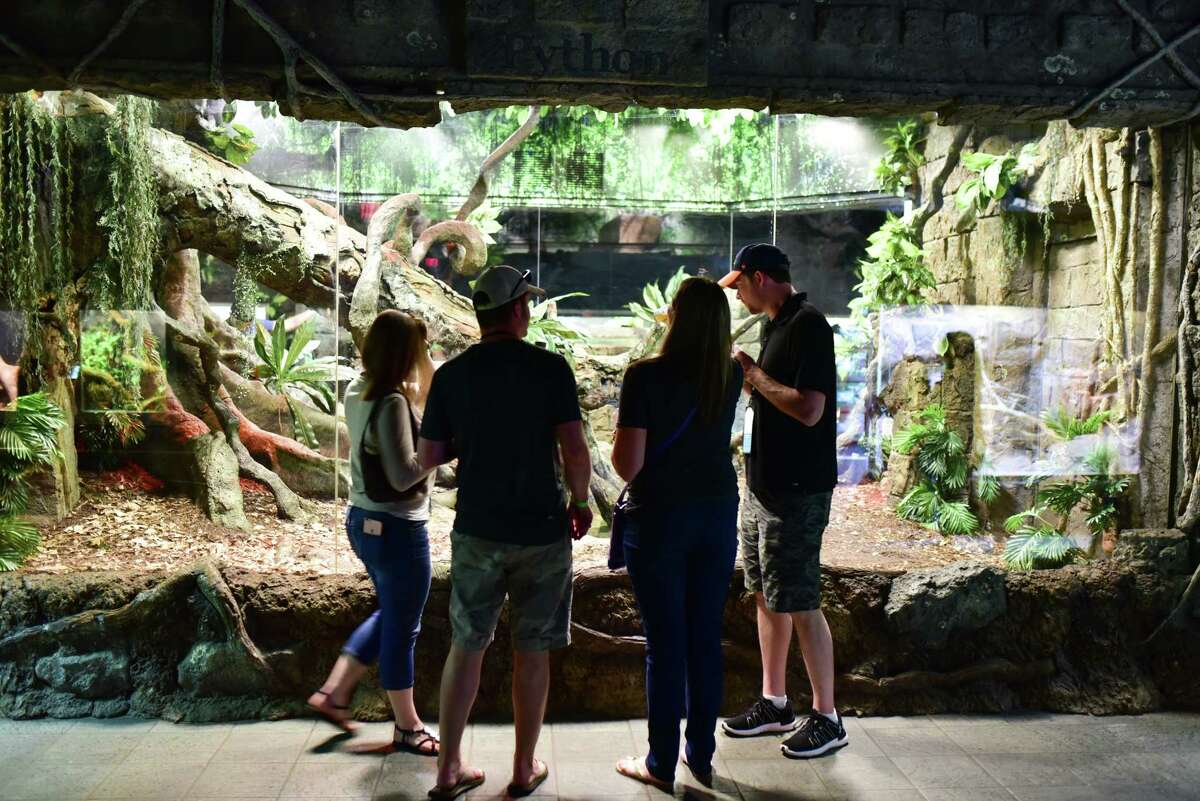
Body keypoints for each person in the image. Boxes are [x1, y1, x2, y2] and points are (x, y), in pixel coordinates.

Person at [418, 265, 593, 800]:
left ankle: (448, 770)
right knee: (532, 649)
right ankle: (521, 769)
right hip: (541, 531)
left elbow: (429, 455)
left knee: (467, 645)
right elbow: (575, 448)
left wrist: (470, 440)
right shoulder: (550, 369)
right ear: (518, 310)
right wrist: (581, 501)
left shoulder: (452, 375)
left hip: (478, 530)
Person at [610, 277, 743, 791]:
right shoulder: (728, 375)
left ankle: (660, 763)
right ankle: (701, 756)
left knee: (664, 645)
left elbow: (628, 464)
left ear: (675, 318)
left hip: (659, 520)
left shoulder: (644, 377)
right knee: (704, 639)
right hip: (715, 517)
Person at [718, 243, 848, 759]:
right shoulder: (776, 324)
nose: (740, 295)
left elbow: (810, 409)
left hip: (797, 490)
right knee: (766, 594)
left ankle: (828, 715)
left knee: (800, 599)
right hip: (763, 488)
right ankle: (775, 701)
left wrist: (754, 376)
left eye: (741, 284)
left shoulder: (808, 326)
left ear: (761, 277)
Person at [307, 309, 440, 756]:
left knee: (393, 611)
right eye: (420, 349)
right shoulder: (392, 402)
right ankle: (407, 726)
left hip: (362, 522)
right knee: (404, 624)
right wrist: (444, 449)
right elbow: (404, 475)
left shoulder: (356, 389)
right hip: (398, 528)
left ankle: (333, 692)